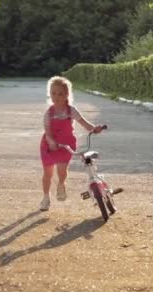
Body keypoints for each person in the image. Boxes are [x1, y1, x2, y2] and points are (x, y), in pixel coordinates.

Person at [39, 76, 104, 211]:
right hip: (50, 146)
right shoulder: (48, 114)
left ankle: (61, 184)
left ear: (66, 95)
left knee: (62, 171)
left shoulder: (71, 110)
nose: (56, 97)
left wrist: (94, 129)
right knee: (48, 174)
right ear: (49, 93)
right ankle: (46, 197)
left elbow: (85, 123)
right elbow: (48, 133)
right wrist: (51, 142)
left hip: (66, 145)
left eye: (60, 94)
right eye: (53, 93)